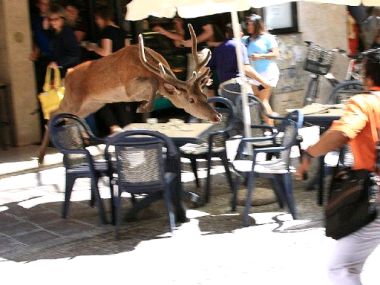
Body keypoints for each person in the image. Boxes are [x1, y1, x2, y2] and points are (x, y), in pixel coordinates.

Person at [296, 49, 380, 285]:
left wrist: (310, 152)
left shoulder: (363, 102)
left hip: (376, 192)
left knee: (342, 268)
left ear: (367, 76)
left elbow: (343, 133)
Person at [87, 6, 137, 136]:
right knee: (119, 101)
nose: (97, 22)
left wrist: (93, 47)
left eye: (97, 19)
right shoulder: (122, 32)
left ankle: (113, 127)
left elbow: (106, 52)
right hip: (121, 72)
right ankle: (126, 128)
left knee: (99, 100)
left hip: (109, 73)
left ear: (103, 18)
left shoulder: (106, 32)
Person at [207, 24, 270, 105]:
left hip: (224, 88)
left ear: (226, 34)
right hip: (238, 85)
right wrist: (263, 81)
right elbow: (246, 68)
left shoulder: (218, 49)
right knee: (251, 111)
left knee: (236, 113)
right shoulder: (240, 46)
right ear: (240, 34)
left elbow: (206, 69)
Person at [245, 14, 280, 125]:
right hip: (255, 75)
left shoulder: (267, 38)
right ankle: (269, 122)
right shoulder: (247, 40)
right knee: (258, 100)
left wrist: (260, 56)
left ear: (257, 25)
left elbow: (276, 54)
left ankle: (271, 127)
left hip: (267, 73)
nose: (248, 27)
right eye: (248, 24)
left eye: (251, 24)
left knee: (263, 100)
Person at [47, 4, 81, 77]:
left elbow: (75, 55)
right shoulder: (54, 33)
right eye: (50, 19)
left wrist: (57, 63)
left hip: (70, 74)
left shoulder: (67, 33)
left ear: (63, 18)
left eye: (55, 19)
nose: (52, 22)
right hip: (60, 72)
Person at [30, 0, 51, 92]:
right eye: (43, 3)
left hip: (55, 58)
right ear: (38, 5)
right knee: (43, 86)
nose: (45, 6)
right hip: (42, 58)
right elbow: (36, 38)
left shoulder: (54, 19)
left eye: (47, 4)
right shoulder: (35, 20)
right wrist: (35, 51)